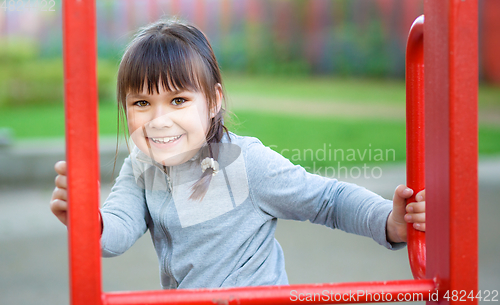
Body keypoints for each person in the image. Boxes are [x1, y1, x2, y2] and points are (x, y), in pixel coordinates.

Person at [50, 19, 426, 289]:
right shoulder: (142, 165)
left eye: (178, 100)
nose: (159, 120)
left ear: (213, 102)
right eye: (142, 103)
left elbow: (327, 199)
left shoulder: (243, 163)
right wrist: (88, 220)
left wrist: (388, 222)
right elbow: (115, 232)